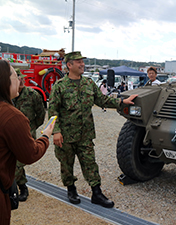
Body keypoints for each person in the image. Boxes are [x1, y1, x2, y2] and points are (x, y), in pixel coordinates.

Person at [48, 51, 137, 208]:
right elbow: (53, 111)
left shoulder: (88, 83)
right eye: (78, 62)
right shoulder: (60, 86)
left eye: (82, 61)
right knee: (66, 165)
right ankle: (71, 189)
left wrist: (122, 101)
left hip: (85, 135)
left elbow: (102, 100)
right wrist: (56, 131)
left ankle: (96, 193)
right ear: (69, 65)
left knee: (90, 164)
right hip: (66, 136)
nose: (82, 64)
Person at [0, 60, 54, 225]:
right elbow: (30, 154)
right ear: (5, 81)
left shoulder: (30, 96)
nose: (19, 80)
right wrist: (45, 136)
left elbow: (39, 114)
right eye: (15, 76)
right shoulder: (12, 116)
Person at [12, 68, 46, 202]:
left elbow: (41, 115)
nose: (21, 81)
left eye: (22, 79)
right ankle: (19, 186)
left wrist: (31, 128)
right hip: (11, 134)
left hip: (27, 134)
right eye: (17, 78)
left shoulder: (33, 95)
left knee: (17, 164)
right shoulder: (8, 95)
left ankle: (21, 188)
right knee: (11, 161)